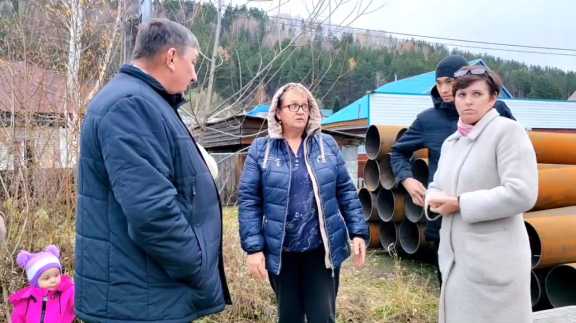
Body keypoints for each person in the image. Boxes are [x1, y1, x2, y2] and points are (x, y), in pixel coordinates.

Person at [75, 18, 230, 322]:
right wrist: (195, 262)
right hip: (139, 302)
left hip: (146, 295)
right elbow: (152, 211)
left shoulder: (144, 101)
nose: (195, 75)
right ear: (171, 57)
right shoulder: (131, 105)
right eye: (193, 63)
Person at [238, 83, 369, 323]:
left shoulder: (326, 145)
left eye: (305, 106)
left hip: (321, 250)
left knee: (322, 316)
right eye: (293, 106)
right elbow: (249, 200)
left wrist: (358, 231)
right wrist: (254, 248)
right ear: (278, 112)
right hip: (281, 251)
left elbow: (345, 192)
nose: (300, 111)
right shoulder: (262, 149)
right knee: (289, 317)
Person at [425, 65, 537, 323]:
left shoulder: (507, 132)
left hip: (495, 264)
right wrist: (432, 198)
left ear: (493, 98)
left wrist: (461, 204)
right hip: (457, 262)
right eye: (462, 95)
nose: (468, 102)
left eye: (476, 94)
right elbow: (438, 184)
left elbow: (522, 192)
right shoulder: (452, 142)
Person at [389, 55, 515, 281]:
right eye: (439, 83)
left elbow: (514, 155)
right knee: (450, 287)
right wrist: (406, 179)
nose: (445, 89)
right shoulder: (428, 120)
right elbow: (398, 151)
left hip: (488, 218)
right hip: (444, 221)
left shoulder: (496, 111)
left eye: (449, 81)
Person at [10, 245, 75, 323]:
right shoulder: (26, 300)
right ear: (35, 282)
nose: (53, 280)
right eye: (47, 278)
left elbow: (80, 302)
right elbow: (17, 318)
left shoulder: (67, 291)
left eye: (56, 275)